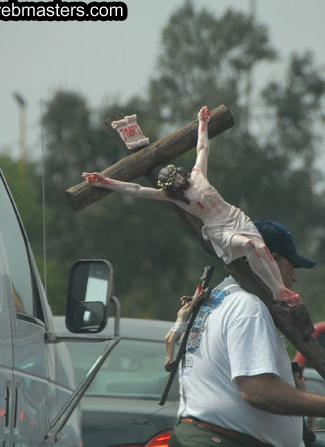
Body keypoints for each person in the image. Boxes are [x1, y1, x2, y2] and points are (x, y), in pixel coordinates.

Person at [165, 219, 325, 447]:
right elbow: (257, 390)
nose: (294, 277)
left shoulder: (219, 298)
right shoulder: (247, 306)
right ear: (270, 259)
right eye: (293, 265)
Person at [83, 106, 303, 307]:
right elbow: (137, 191)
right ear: (172, 187)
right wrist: (105, 181)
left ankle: (279, 288)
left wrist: (203, 123)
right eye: (175, 182)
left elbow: (203, 147)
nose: (179, 180)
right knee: (249, 246)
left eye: (178, 175)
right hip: (220, 229)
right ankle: (276, 290)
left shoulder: (197, 174)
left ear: (181, 172)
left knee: (262, 248)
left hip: (235, 216)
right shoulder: (173, 197)